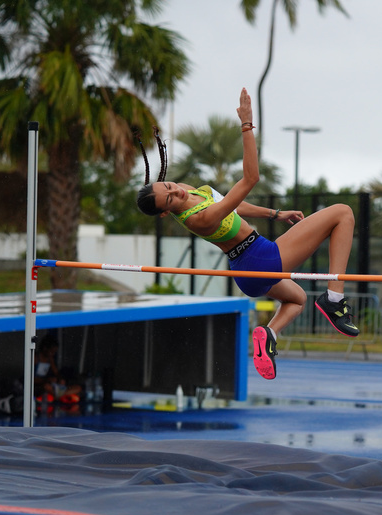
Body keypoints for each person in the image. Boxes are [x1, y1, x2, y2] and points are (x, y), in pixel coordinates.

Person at [136, 87, 359, 380]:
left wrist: (275, 214)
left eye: (169, 186)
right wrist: (247, 125)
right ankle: (334, 297)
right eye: (170, 199)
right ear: (167, 212)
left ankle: (268, 335)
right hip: (259, 260)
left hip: (247, 268)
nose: (176, 191)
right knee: (343, 213)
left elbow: (235, 207)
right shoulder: (198, 219)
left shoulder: (189, 191)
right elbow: (250, 178)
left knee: (297, 299)